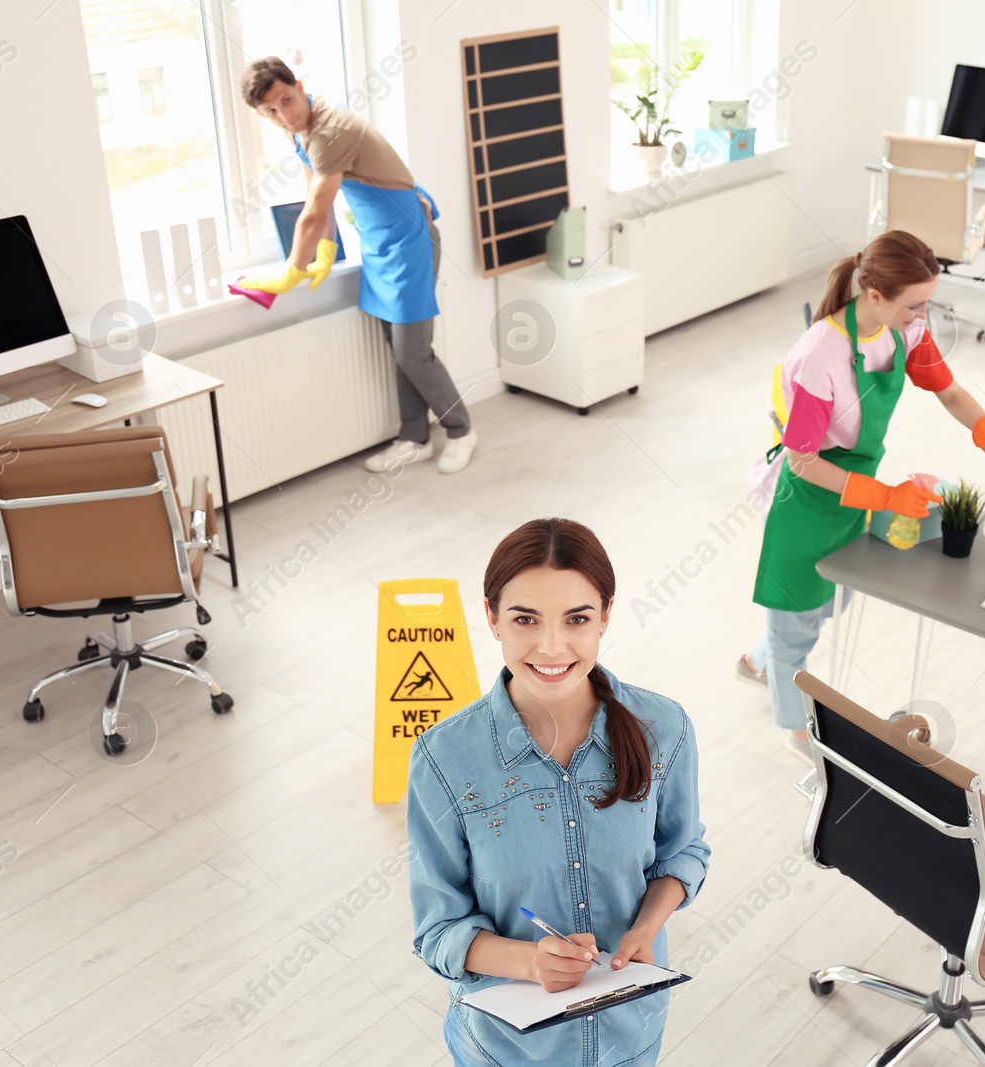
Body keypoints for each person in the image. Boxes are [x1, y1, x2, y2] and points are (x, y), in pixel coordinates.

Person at [741, 231, 985, 759]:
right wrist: (883, 495)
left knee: (830, 599)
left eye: (926, 302)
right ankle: (797, 731)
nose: (923, 314)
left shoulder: (905, 331)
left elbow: (951, 392)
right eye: (914, 303)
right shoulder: (820, 354)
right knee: (795, 620)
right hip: (808, 499)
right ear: (876, 296)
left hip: (859, 488)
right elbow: (804, 461)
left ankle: (757, 661)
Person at [407, 517, 708, 1066]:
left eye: (577, 619)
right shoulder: (444, 758)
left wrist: (646, 927)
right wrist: (529, 962)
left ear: (606, 617)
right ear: (492, 618)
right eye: (525, 619)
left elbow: (683, 852)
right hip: (506, 1053)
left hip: (630, 1038)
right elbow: (438, 930)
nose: (552, 646)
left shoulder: (665, 727)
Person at [240, 57, 478, 474]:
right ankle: (414, 437)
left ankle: (460, 430)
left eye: (287, 101)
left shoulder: (329, 132)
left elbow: (313, 211)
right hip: (379, 243)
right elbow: (317, 195)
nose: (284, 115)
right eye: (271, 112)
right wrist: (326, 251)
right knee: (399, 349)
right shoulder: (301, 129)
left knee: (414, 353)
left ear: (298, 85)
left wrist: (291, 271)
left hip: (408, 241)